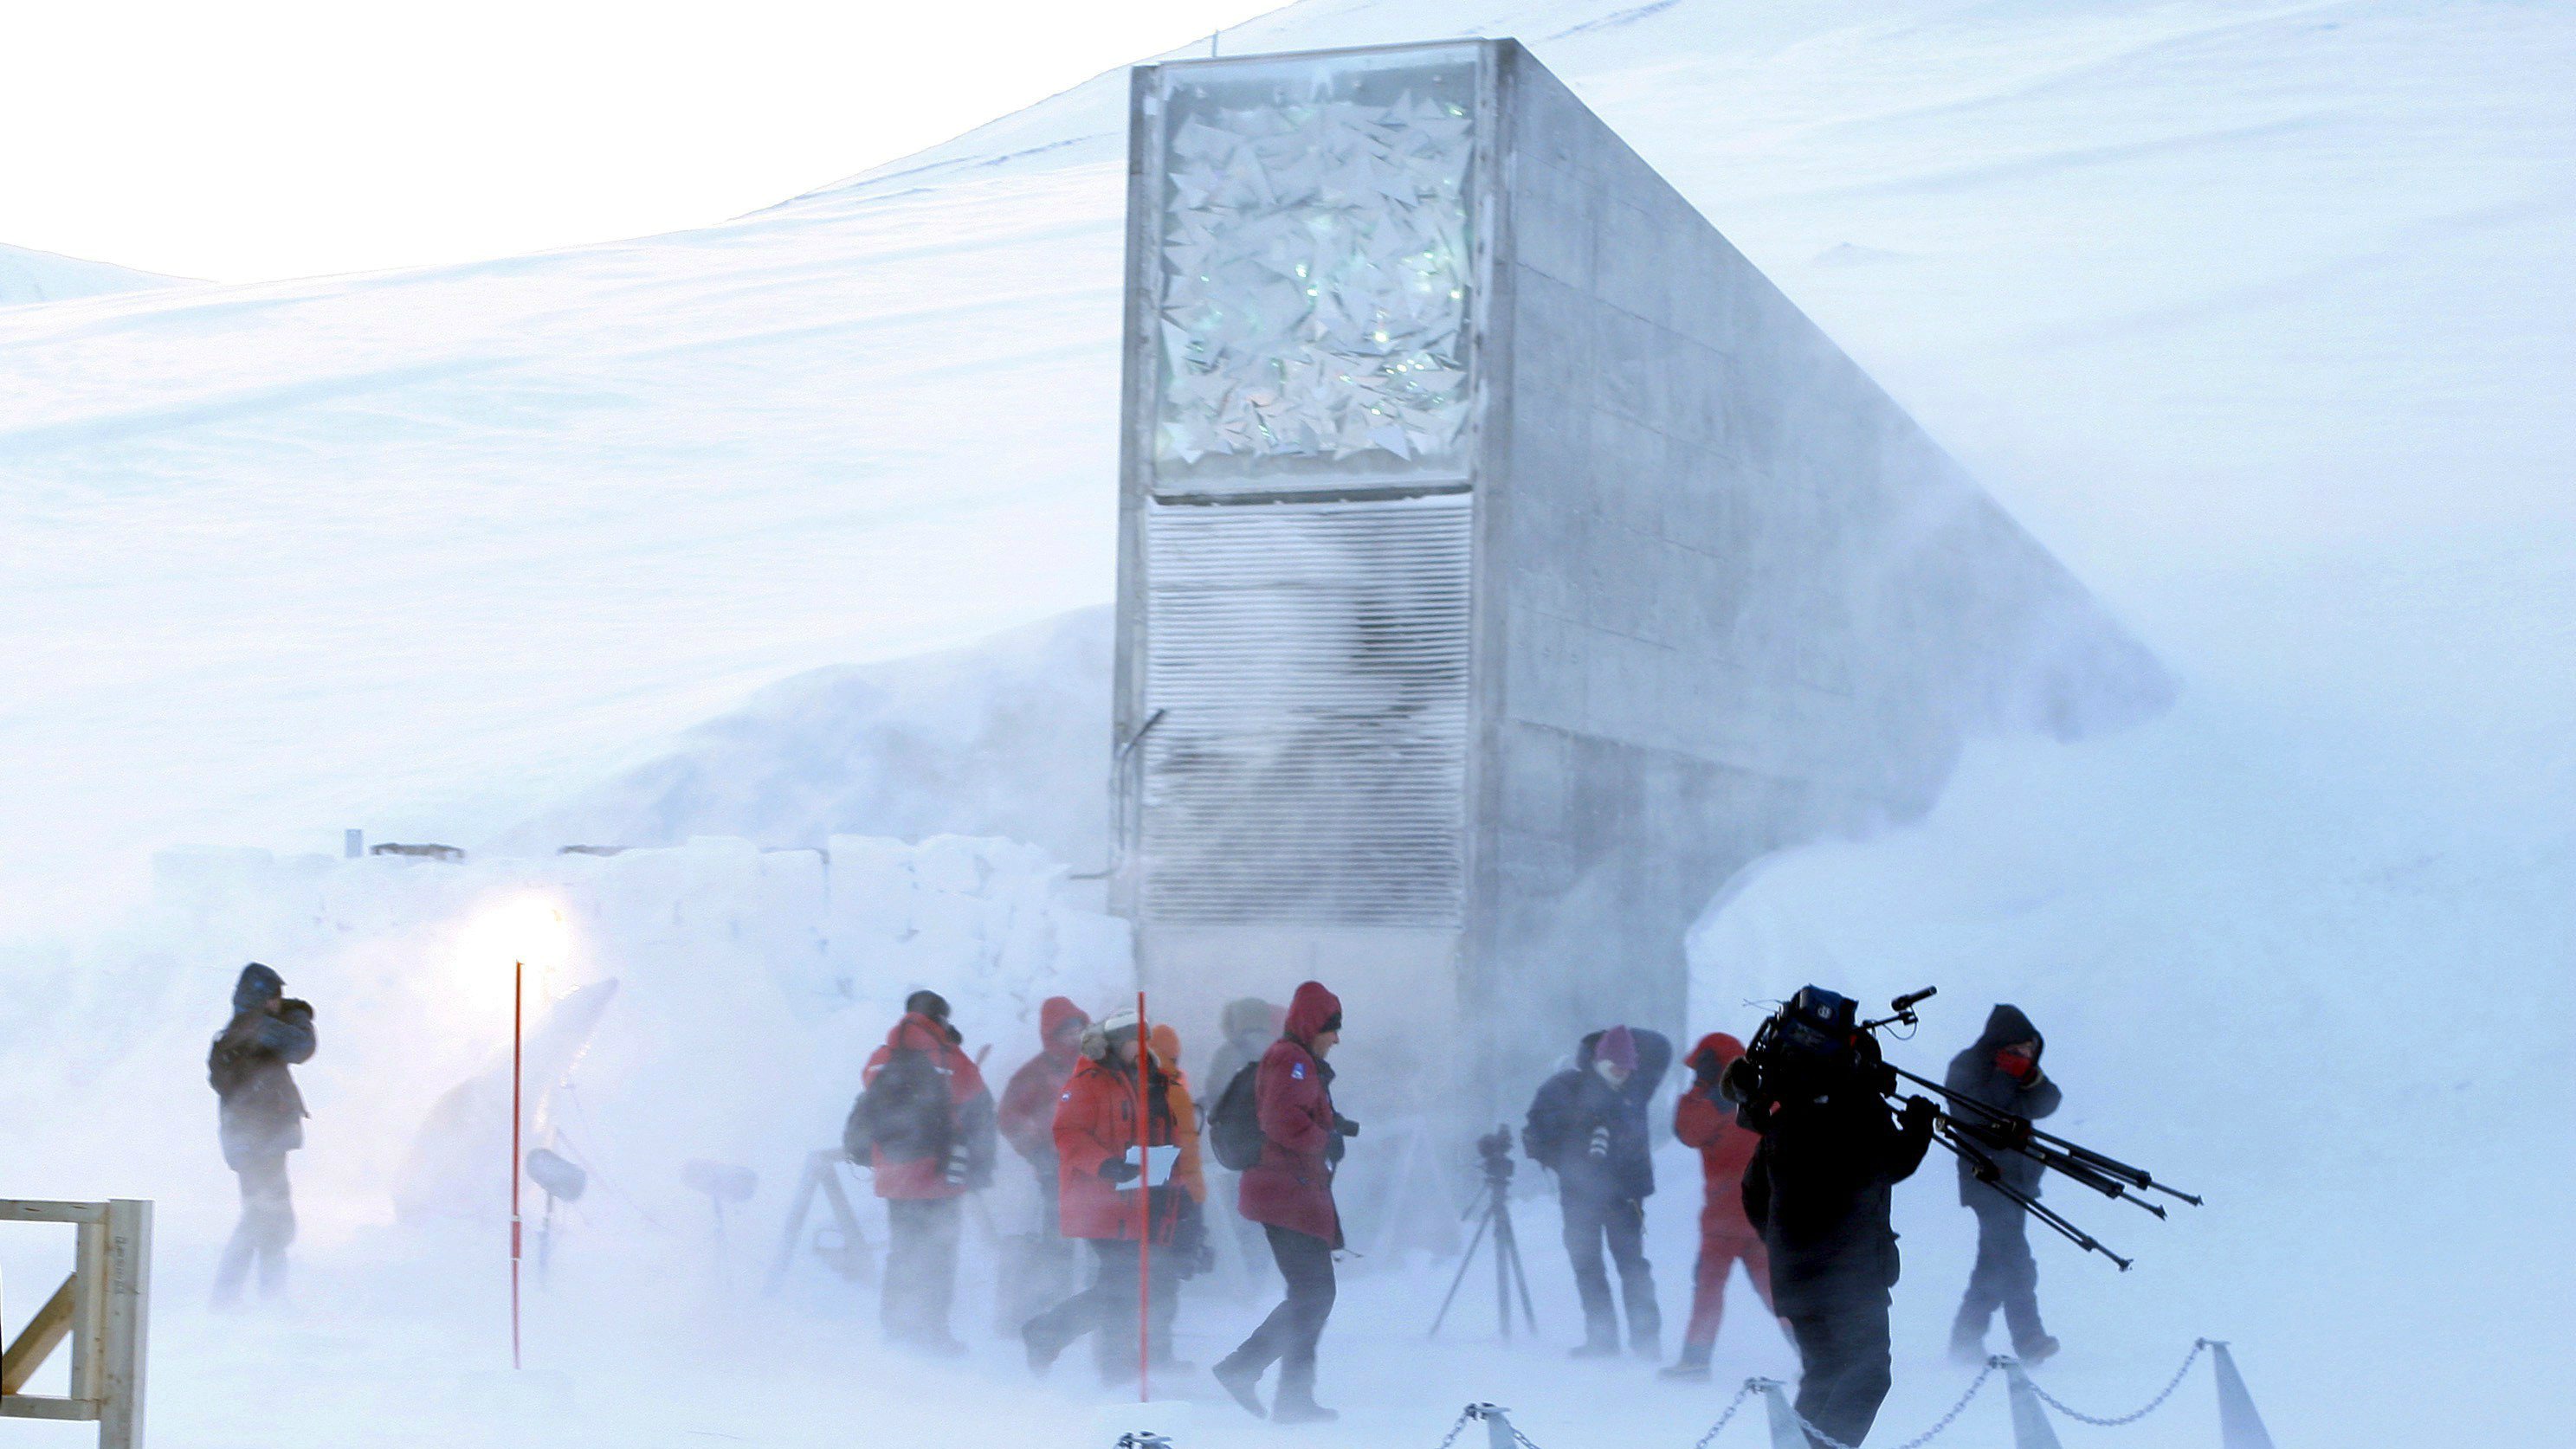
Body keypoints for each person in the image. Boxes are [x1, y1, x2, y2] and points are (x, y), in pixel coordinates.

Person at [1739, 1045, 1935, 1447]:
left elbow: (1753, 1192)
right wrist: (1919, 1127)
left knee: (1825, 1372)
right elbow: (1891, 1163)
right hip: (1850, 1278)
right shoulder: (1859, 1108)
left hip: (1796, 1280)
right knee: (1868, 1373)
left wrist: (1784, 1244)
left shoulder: (1787, 1113)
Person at [1019, 1007, 1204, 1383]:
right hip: (1102, 1202)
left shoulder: (1151, 1080)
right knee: (1124, 1288)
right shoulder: (1088, 1081)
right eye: (1134, 1042)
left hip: (1146, 1198)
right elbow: (1068, 1135)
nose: (1142, 1048)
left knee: (1139, 1286)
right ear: (1115, 1044)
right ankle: (1054, 1336)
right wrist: (1106, 1165)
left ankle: (1119, 1363)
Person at [1212, 981, 1353, 1425]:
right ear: (1313, 1026)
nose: (1336, 1038)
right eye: (1331, 1028)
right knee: (1314, 1294)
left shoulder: (1296, 1060)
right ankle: (1246, 1369)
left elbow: (1292, 1111)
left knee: (1312, 1295)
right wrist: (1324, 1139)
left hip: (1292, 1192)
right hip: (1284, 1193)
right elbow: (1279, 1120)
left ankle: (1292, 1397)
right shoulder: (1291, 1059)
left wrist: (1332, 1124)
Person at [858, 989, 996, 1354]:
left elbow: (870, 1095)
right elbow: (978, 1106)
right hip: (938, 1175)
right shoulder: (949, 1058)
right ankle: (933, 1333)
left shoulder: (880, 1057)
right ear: (941, 1019)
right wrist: (981, 1168)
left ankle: (896, 1328)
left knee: (902, 1251)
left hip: (893, 1174)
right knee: (939, 1254)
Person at [1522, 1023, 1672, 1359]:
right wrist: (1567, 1162)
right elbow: (1536, 1134)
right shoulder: (1567, 1088)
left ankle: (1647, 1342)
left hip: (1626, 1198)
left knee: (1633, 1268)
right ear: (1600, 1060)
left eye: (1628, 1065)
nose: (1623, 1072)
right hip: (1580, 1198)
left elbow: (1661, 1046)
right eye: (1616, 1065)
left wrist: (1617, 1035)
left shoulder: (1636, 1087)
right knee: (1588, 1267)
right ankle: (1602, 1340)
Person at [1945, 1004, 2063, 1365]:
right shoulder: (1967, 1067)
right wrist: (2005, 1074)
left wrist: (2029, 1076)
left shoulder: (2017, 1071)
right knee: (2015, 1262)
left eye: (2030, 1050)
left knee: (1993, 1265)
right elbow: (1979, 1114)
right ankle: (2029, 1339)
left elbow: (2048, 1103)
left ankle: (1965, 1339)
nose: (2025, 1055)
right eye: (2018, 1049)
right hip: (1987, 1179)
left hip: (2020, 1181)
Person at [1662, 1032, 1775, 1380]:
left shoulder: (1711, 1104)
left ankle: (1696, 1361)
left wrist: (1703, 1086)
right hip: (1764, 1219)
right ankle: (1815, 1357)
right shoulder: (1767, 1096)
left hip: (1723, 1222)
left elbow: (1686, 1132)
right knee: (1778, 1294)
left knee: (1708, 1291)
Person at [208, 962, 315, 1307]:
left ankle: (261, 1297)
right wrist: (299, 1014)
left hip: (249, 1140)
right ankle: (238, 1297)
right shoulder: (258, 1028)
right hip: (262, 1141)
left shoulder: (237, 1031)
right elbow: (302, 1046)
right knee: (264, 1216)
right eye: (275, 997)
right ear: (262, 998)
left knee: (267, 1218)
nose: (278, 1003)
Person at [997, 996, 1089, 1326]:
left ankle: (1100, 1310)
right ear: (1052, 1035)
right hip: (1057, 1171)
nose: (1075, 1037)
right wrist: (1037, 1153)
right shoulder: (1035, 1073)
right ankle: (1054, 1307)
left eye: (1078, 1030)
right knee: (1059, 1242)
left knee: (1105, 1244)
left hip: (1101, 1169)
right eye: (1067, 1032)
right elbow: (1008, 1118)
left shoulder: (1096, 1065)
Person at [1204, 997, 1285, 1291]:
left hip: (1241, 1148)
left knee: (1244, 1214)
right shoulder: (1285, 1050)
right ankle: (1276, 1273)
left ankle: (1252, 1280)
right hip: (1281, 1146)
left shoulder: (1231, 1052)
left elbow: (1215, 1094)